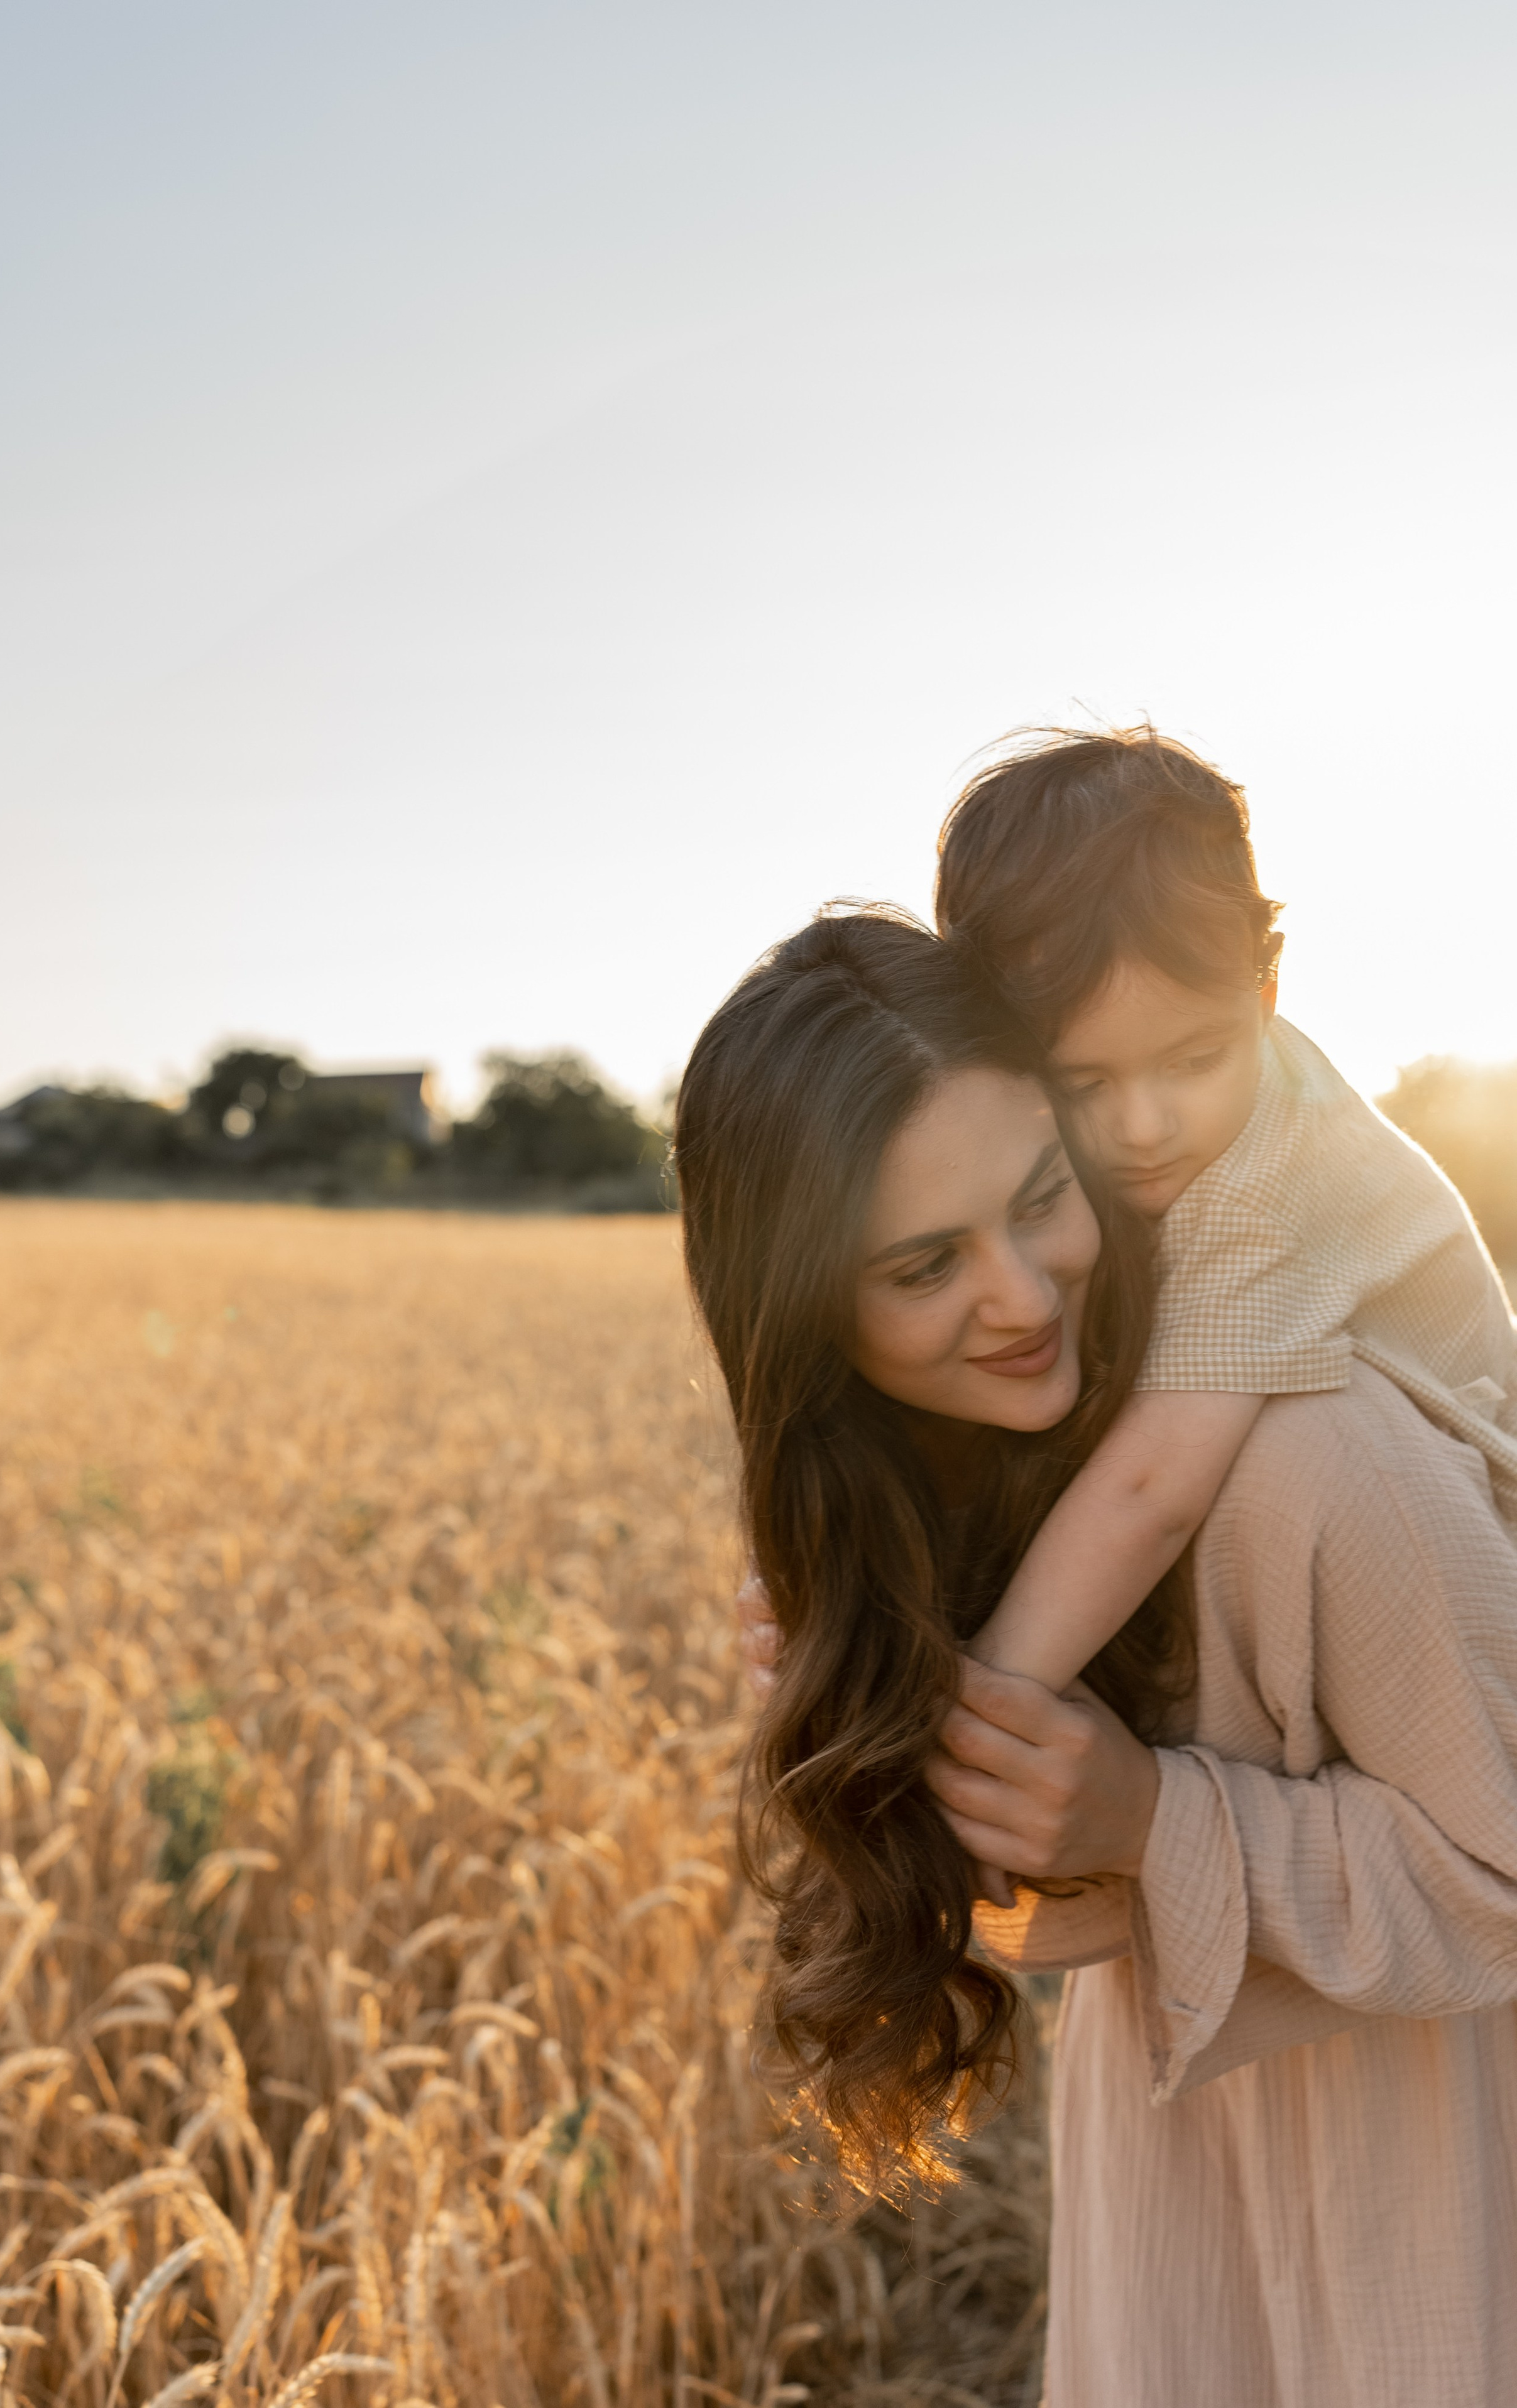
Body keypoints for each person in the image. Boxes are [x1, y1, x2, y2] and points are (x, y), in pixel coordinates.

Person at [682, 907, 1517, 2404]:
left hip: (1432, 2170)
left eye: (1042, 1198)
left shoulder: (1324, 1459)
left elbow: (1501, 1878)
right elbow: (1051, 1915)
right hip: (1181, 2169)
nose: (1019, 1295)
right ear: (805, 1322)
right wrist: (917, 1747)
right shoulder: (1012, 1469)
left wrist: (1146, 1818)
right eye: (925, 1265)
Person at [932, 728, 1517, 1714]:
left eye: (1195, 1060)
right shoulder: (1173, 1138)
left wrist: (980, 1702)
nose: (1144, 1126)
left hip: (1467, 1552)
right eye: (1082, 1082)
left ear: (1267, 984)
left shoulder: (1269, 1181)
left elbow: (1152, 1489)